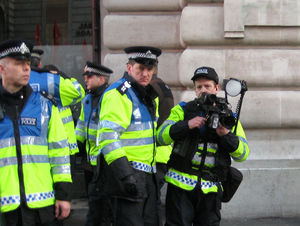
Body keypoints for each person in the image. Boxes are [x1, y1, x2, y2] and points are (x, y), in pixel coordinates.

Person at [157, 66, 250, 226]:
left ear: (217, 88)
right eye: (199, 87)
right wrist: (186, 125)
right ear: (195, 90)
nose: (203, 90)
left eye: (207, 86)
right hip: (180, 186)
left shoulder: (229, 116)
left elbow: (243, 154)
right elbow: (161, 136)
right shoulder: (182, 110)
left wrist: (225, 135)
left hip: (211, 190)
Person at [0, 39, 72, 225]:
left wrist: (63, 194)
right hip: (5, 208)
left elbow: (59, 152)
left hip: (42, 206)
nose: (26, 68)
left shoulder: (45, 105)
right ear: (2, 69)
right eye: (19, 64)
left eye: (27, 64)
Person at [97, 46, 161, 226]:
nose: (145, 73)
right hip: (127, 176)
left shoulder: (149, 96)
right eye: (140, 68)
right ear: (129, 68)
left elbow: (151, 137)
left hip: (147, 176)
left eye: (149, 69)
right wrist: (126, 175)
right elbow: (108, 138)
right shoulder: (118, 95)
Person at [75, 61, 114, 226]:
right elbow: (81, 126)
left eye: (89, 76)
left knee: (105, 207)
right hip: (90, 162)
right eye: (85, 76)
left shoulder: (111, 97)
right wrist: (76, 146)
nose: (86, 79)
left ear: (102, 79)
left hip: (105, 162)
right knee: (94, 204)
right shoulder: (88, 98)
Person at [150, 66, 174, 226]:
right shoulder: (164, 86)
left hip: (154, 153)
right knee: (154, 199)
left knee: (151, 202)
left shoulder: (150, 88)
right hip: (163, 153)